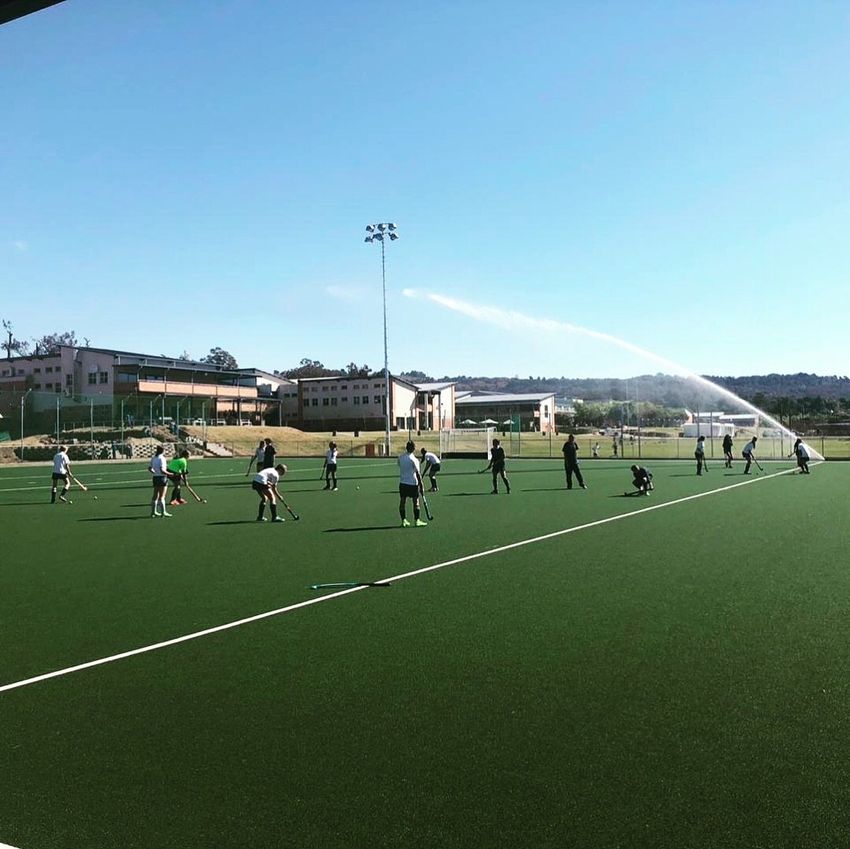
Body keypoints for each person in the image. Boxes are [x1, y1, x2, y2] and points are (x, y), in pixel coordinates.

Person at [398, 440, 427, 527]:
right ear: (414, 449)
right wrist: (421, 485)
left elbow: (400, 466)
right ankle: (417, 520)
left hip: (402, 483)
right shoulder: (414, 460)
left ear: (406, 448)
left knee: (402, 501)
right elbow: (418, 474)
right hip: (413, 484)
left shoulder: (400, 458)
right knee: (416, 502)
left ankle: (403, 521)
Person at [148, 445, 172, 517]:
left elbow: (150, 468)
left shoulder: (154, 458)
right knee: (162, 496)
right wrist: (170, 474)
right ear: (162, 451)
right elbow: (162, 470)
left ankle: (153, 512)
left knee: (155, 495)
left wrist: (154, 472)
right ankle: (163, 512)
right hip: (162, 478)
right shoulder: (162, 458)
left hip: (155, 478)